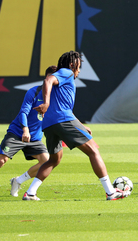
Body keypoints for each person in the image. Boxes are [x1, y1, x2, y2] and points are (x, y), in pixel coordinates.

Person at [23, 51, 129, 201]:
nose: (79, 71)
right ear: (72, 64)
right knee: (93, 151)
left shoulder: (62, 79)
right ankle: (111, 192)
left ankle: (31, 193)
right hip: (62, 120)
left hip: (48, 124)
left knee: (54, 160)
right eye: (79, 67)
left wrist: (79, 124)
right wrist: (45, 103)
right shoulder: (66, 72)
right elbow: (48, 81)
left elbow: (62, 106)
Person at [0, 66, 57, 197]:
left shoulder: (56, 96)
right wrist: (25, 129)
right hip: (18, 133)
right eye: (53, 78)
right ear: (47, 79)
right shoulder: (34, 92)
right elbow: (23, 112)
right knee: (1, 161)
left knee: (46, 162)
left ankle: (18, 181)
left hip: (35, 138)